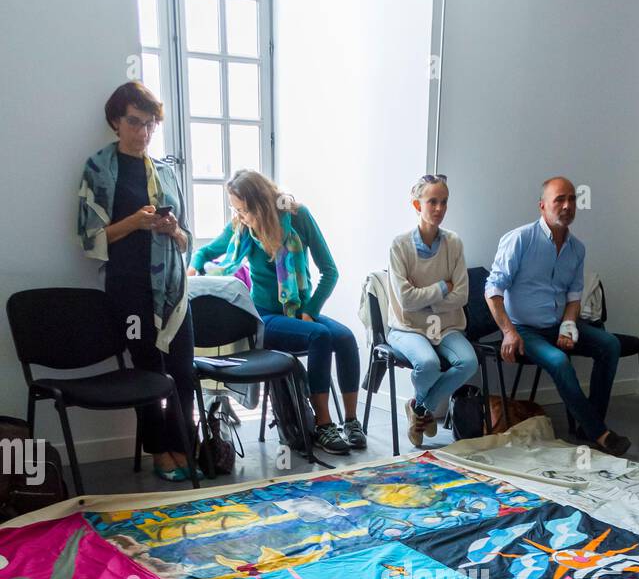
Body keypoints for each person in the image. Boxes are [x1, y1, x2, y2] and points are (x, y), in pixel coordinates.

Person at [191, 170, 365, 456]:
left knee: (345, 338)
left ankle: (351, 421)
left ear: (261, 204)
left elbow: (330, 271)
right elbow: (206, 252)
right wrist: (194, 266)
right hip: (265, 317)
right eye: (236, 209)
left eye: (244, 210)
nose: (240, 216)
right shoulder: (242, 227)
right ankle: (323, 424)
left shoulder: (298, 217)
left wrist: (310, 309)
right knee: (320, 336)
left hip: (299, 311)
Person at [78, 81, 198, 481]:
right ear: (116, 121)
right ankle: (159, 451)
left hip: (172, 290)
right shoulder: (99, 169)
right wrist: (133, 223)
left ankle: (183, 445)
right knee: (148, 372)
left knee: (183, 369)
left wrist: (173, 230)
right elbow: (90, 238)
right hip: (129, 287)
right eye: (135, 122)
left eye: (150, 124)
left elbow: (186, 239)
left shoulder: (165, 171)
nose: (143, 132)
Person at [485, 177, 630, 456]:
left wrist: (567, 325)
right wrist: (508, 331)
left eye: (572, 199)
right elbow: (493, 289)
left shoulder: (577, 249)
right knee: (559, 360)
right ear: (543, 206)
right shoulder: (520, 239)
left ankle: (588, 424)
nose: (567, 205)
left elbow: (574, 296)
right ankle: (599, 433)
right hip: (524, 329)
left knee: (610, 344)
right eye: (559, 200)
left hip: (557, 324)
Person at [387, 175, 478, 447]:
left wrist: (424, 297)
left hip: (446, 325)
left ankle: (419, 410)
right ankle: (425, 413)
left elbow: (461, 295)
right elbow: (405, 300)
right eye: (433, 202)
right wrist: (441, 287)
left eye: (444, 202)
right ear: (417, 204)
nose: (439, 208)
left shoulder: (454, 243)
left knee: (468, 362)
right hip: (407, 326)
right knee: (427, 364)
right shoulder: (399, 245)